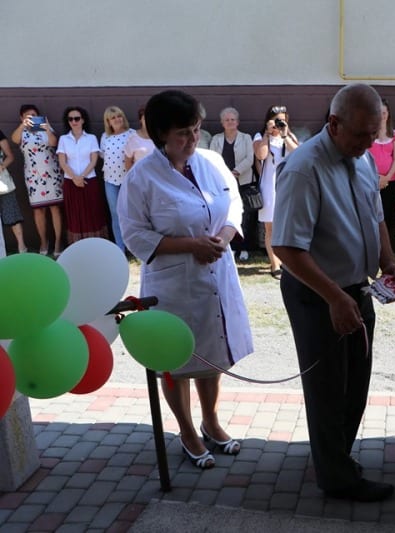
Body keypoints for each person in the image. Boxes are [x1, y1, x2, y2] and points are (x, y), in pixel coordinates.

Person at [272, 83, 395, 502]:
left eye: (375, 133)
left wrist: (390, 263)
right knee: (328, 388)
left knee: (355, 383)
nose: (370, 143)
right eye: (362, 134)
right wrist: (334, 297)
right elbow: (287, 247)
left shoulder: (359, 157)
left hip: (354, 290)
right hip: (318, 294)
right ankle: (336, 477)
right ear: (333, 123)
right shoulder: (303, 168)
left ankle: (337, 457)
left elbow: (376, 215)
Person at [118, 90, 253, 469]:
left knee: (212, 354)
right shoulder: (142, 177)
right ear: (161, 133)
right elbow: (134, 234)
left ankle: (211, 421)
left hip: (215, 270)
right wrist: (190, 245)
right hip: (173, 282)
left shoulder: (210, 161)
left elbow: (234, 203)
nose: (192, 140)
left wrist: (222, 238)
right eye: (182, 133)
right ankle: (187, 429)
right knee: (175, 358)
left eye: (196, 130)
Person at [10, 105, 64, 256]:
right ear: (22, 118)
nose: (32, 118)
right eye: (28, 116)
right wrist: (23, 125)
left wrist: (46, 127)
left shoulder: (47, 128)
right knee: (38, 210)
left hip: (52, 174)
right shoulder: (22, 131)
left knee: (55, 209)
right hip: (33, 176)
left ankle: (58, 243)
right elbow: (14, 140)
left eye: (34, 115)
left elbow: (53, 143)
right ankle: (43, 241)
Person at [253, 104, 299, 278]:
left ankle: (286, 262)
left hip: (287, 184)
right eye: (275, 120)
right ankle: (275, 265)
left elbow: (298, 154)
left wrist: (285, 134)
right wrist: (267, 134)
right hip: (269, 184)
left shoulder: (289, 136)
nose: (279, 123)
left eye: (282, 119)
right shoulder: (260, 136)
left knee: (287, 225)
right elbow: (261, 155)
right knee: (270, 227)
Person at [56, 106, 109, 244]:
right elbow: (62, 162)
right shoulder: (63, 139)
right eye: (70, 119)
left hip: (89, 181)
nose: (74, 121)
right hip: (70, 182)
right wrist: (74, 177)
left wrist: (82, 177)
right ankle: (78, 245)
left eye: (77, 118)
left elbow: (94, 160)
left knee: (92, 212)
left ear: (83, 120)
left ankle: (96, 244)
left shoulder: (91, 138)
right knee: (75, 214)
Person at [210, 107, 255, 262]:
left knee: (245, 216)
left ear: (238, 122)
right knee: (225, 215)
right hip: (222, 183)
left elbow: (250, 159)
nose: (230, 122)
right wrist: (225, 175)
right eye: (227, 120)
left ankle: (244, 248)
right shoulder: (216, 139)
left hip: (242, 181)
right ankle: (231, 247)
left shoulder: (246, 138)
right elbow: (213, 159)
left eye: (233, 120)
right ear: (222, 123)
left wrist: (235, 172)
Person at [99, 106, 135, 254]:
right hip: (110, 181)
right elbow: (102, 155)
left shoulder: (132, 134)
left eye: (119, 116)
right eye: (113, 118)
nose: (117, 119)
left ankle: (133, 247)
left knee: (131, 214)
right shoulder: (104, 137)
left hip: (128, 181)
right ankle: (120, 247)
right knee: (115, 214)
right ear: (108, 121)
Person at [367, 98, 395, 240]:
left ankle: (387, 245)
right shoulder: (369, 133)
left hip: (390, 181)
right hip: (371, 179)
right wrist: (377, 177)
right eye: (380, 112)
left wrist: (386, 177)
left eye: (385, 112)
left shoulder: (394, 134)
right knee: (371, 212)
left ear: (388, 114)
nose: (383, 115)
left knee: (387, 213)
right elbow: (364, 157)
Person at [0, 129, 29, 253]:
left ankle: (22, 247)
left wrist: (1, 166)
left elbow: (10, 156)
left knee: (12, 214)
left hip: (3, 181)